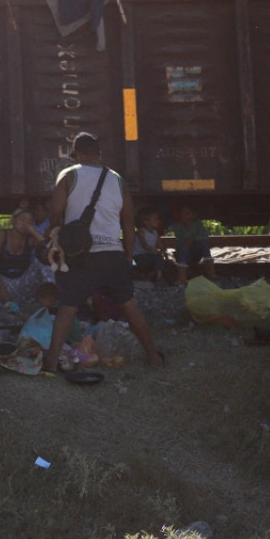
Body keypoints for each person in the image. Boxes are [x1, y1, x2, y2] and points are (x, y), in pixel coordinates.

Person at [45, 132, 164, 372]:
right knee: (129, 305)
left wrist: (60, 231)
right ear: (99, 154)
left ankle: (49, 364)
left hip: (81, 256)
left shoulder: (69, 175)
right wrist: (128, 257)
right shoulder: (118, 180)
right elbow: (128, 224)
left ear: (77, 154)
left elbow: (55, 212)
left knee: (68, 308)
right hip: (113, 254)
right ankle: (154, 357)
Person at [0, 207, 54, 310]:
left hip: (21, 281)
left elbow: (46, 247)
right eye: (22, 219)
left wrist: (32, 230)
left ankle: (48, 302)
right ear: (14, 220)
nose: (25, 223)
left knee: (43, 264)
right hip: (1, 280)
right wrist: (2, 288)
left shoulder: (30, 240)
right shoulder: (2, 234)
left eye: (29, 222)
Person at [167, 203, 216, 284]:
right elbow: (180, 241)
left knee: (203, 243)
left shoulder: (198, 225)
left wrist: (193, 238)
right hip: (182, 253)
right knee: (184, 249)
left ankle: (211, 273)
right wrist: (187, 241)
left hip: (196, 252)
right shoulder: (178, 226)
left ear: (194, 215)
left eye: (187, 214)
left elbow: (204, 237)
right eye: (182, 214)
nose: (184, 216)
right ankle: (182, 278)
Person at [132, 207, 169, 285]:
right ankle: (159, 278)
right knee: (157, 258)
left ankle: (153, 275)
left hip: (150, 256)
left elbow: (160, 245)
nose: (158, 221)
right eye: (155, 219)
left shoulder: (155, 232)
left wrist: (163, 251)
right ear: (146, 222)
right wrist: (154, 250)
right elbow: (145, 245)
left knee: (160, 259)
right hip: (139, 257)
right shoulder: (141, 231)